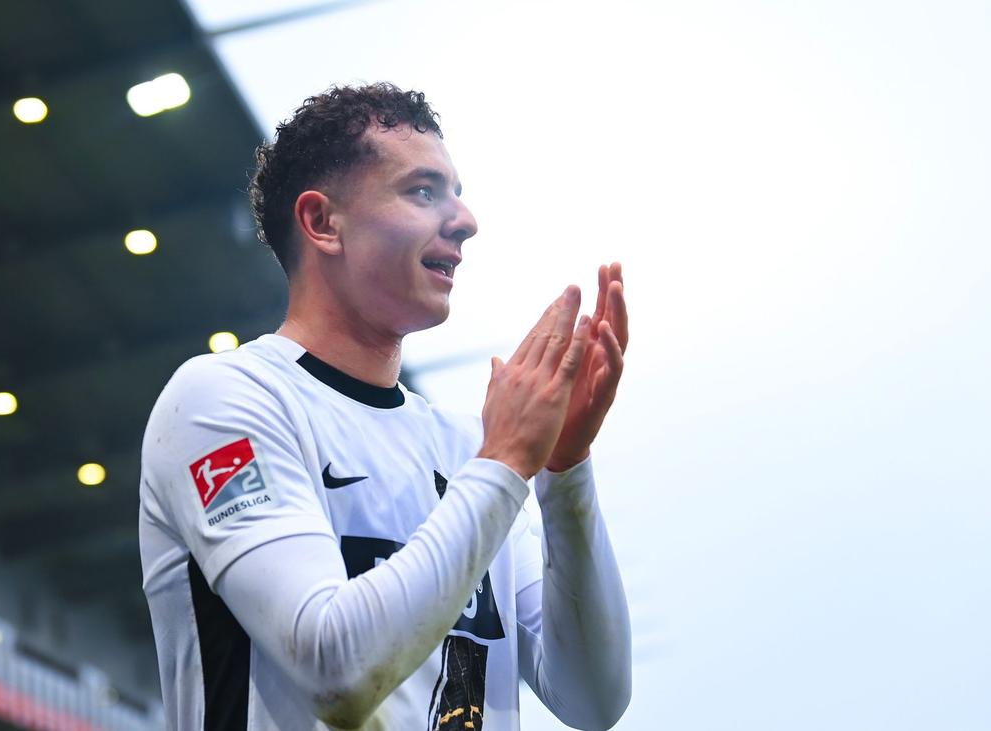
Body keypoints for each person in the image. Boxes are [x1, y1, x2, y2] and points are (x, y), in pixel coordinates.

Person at [138, 83, 631, 731]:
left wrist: (564, 471)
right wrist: (508, 460)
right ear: (323, 223)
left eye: (456, 192)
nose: (465, 219)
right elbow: (334, 672)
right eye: (423, 192)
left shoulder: (468, 450)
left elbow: (593, 702)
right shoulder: (222, 401)